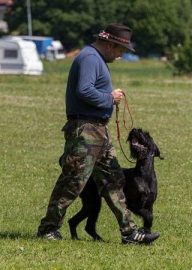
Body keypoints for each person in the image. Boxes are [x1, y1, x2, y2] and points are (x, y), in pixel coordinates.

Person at [37, 23, 160, 244]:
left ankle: (130, 233)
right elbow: (83, 90)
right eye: (121, 50)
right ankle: (48, 228)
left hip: (98, 131)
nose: (121, 56)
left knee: (114, 181)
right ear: (111, 44)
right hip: (86, 132)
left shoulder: (95, 59)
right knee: (72, 182)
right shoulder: (90, 58)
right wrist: (109, 98)